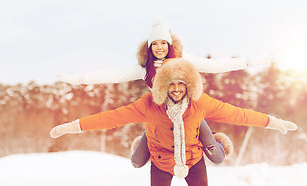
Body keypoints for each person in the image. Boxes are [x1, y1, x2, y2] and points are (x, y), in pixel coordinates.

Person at [50, 58, 297, 186]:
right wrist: (74, 126)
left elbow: (238, 114)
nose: (177, 88)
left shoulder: (201, 103)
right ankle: (143, 144)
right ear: (163, 85)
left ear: (189, 85)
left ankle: (213, 146)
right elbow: (112, 118)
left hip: (193, 159)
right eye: (172, 83)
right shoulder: (148, 105)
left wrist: (272, 122)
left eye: (181, 83)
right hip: (160, 160)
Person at [57, 20, 272, 168]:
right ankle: (151, 143)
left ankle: (213, 139)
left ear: (169, 44)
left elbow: (215, 65)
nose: (159, 47)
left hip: (189, 113)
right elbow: (113, 75)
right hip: (159, 117)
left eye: (163, 43)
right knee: (136, 162)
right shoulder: (144, 68)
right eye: (155, 44)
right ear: (149, 47)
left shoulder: (183, 59)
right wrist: (77, 79)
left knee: (217, 158)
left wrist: (254, 62)